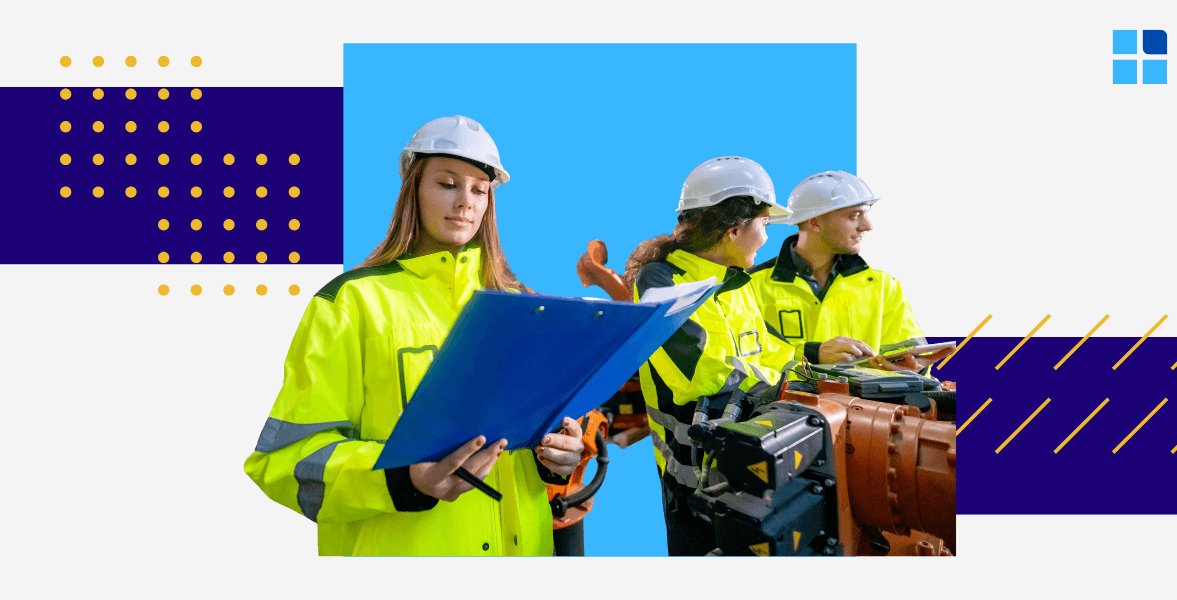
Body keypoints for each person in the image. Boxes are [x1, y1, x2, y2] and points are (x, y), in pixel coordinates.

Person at [243, 115, 584, 556]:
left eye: (479, 190)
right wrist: (404, 479)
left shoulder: (521, 307)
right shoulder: (351, 304)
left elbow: (532, 428)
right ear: (413, 191)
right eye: (447, 184)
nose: (465, 202)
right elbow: (285, 462)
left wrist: (557, 457)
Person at [625, 156, 798, 556]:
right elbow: (702, 373)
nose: (767, 238)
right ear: (734, 228)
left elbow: (771, 351)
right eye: (764, 225)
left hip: (753, 461)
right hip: (693, 481)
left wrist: (818, 372)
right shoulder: (661, 280)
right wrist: (787, 389)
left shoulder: (738, 282)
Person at [747, 171, 946, 373]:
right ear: (814, 222)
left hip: (870, 404)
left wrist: (914, 368)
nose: (867, 226)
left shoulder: (884, 288)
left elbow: (913, 360)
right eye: (854, 215)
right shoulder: (749, 286)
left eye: (865, 214)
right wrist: (813, 354)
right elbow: (744, 359)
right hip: (783, 404)